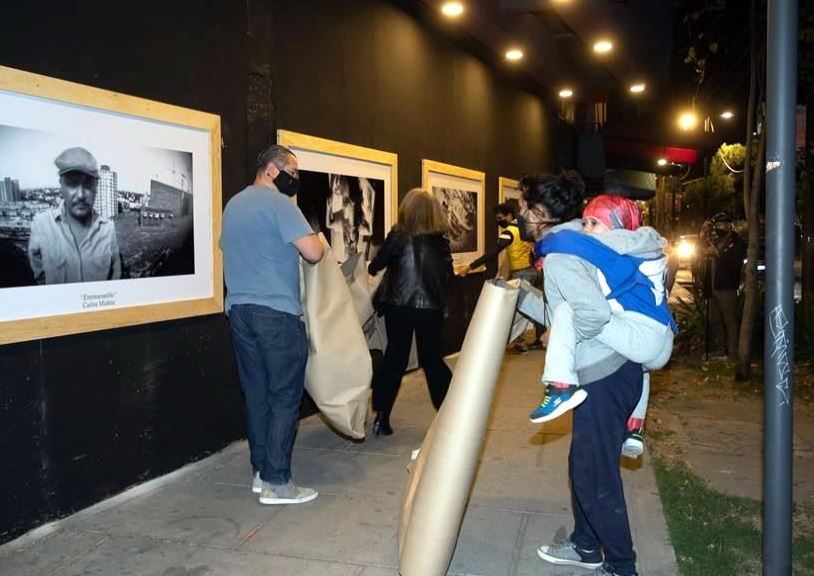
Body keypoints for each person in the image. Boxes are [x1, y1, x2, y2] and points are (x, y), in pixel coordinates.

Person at [518, 172, 642, 576]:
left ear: (540, 214)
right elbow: (567, 310)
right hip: (613, 372)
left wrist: (561, 337)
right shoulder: (575, 241)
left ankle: (622, 566)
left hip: (603, 376)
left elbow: (591, 313)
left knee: (594, 476)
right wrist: (523, 300)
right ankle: (587, 545)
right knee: (584, 464)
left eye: (524, 207)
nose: (519, 214)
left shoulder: (560, 257)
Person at [220, 144, 325, 505]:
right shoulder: (281, 205)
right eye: (292, 172)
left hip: (238, 311)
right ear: (270, 169)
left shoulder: (233, 205)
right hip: (276, 315)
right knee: (284, 396)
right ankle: (278, 483)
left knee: (258, 396)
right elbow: (313, 252)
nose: (295, 180)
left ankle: (261, 472)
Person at [528, 196, 676, 443]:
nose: (586, 229)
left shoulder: (613, 242)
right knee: (640, 368)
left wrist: (541, 249)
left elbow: (564, 241)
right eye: (584, 222)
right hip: (660, 340)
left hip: (641, 335)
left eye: (593, 222)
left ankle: (560, 387)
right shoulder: (636, 246)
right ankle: (635, 427)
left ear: (616, 225)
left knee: (568, 310)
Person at [367, 188, 454, 436]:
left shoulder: (398, 236)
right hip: (431, 308)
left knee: (395, 358)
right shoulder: (441, 241)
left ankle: (382, 416)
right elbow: (448, 278)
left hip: (399, 304)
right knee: (432, 359)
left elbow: (376, 265)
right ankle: (450, 413)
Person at [28, 147, 121, 284]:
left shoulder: (108, 229)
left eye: (88, 184)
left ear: (96, 187)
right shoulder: (42, 224)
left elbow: (115, 272)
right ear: (61, 185)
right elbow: (37, 268)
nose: (81, 195)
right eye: (72, 183)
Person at [458, 199, 541, 353]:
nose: (498, 221)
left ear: (509, 216)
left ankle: (518, 341)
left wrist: (470, 266)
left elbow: (493, 252)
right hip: (532, 271)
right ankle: (538, 338)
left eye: (500, 218)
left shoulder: (510, 232)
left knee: (516, 309)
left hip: (522, 273)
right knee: (531, 305)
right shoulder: (526, 229)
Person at [700, 212, 746, 361]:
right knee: (714, 319)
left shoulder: (737, 241)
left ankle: (733, 352)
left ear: (728, 225)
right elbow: (699, 251)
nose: (718, 228)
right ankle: (720, 350)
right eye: (716, 225)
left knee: (729, 320)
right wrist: (703, 234)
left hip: (726, 286)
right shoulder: (714, 239)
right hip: (712, 285)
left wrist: (718, 253)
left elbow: (735, 263)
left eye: (721, 224)